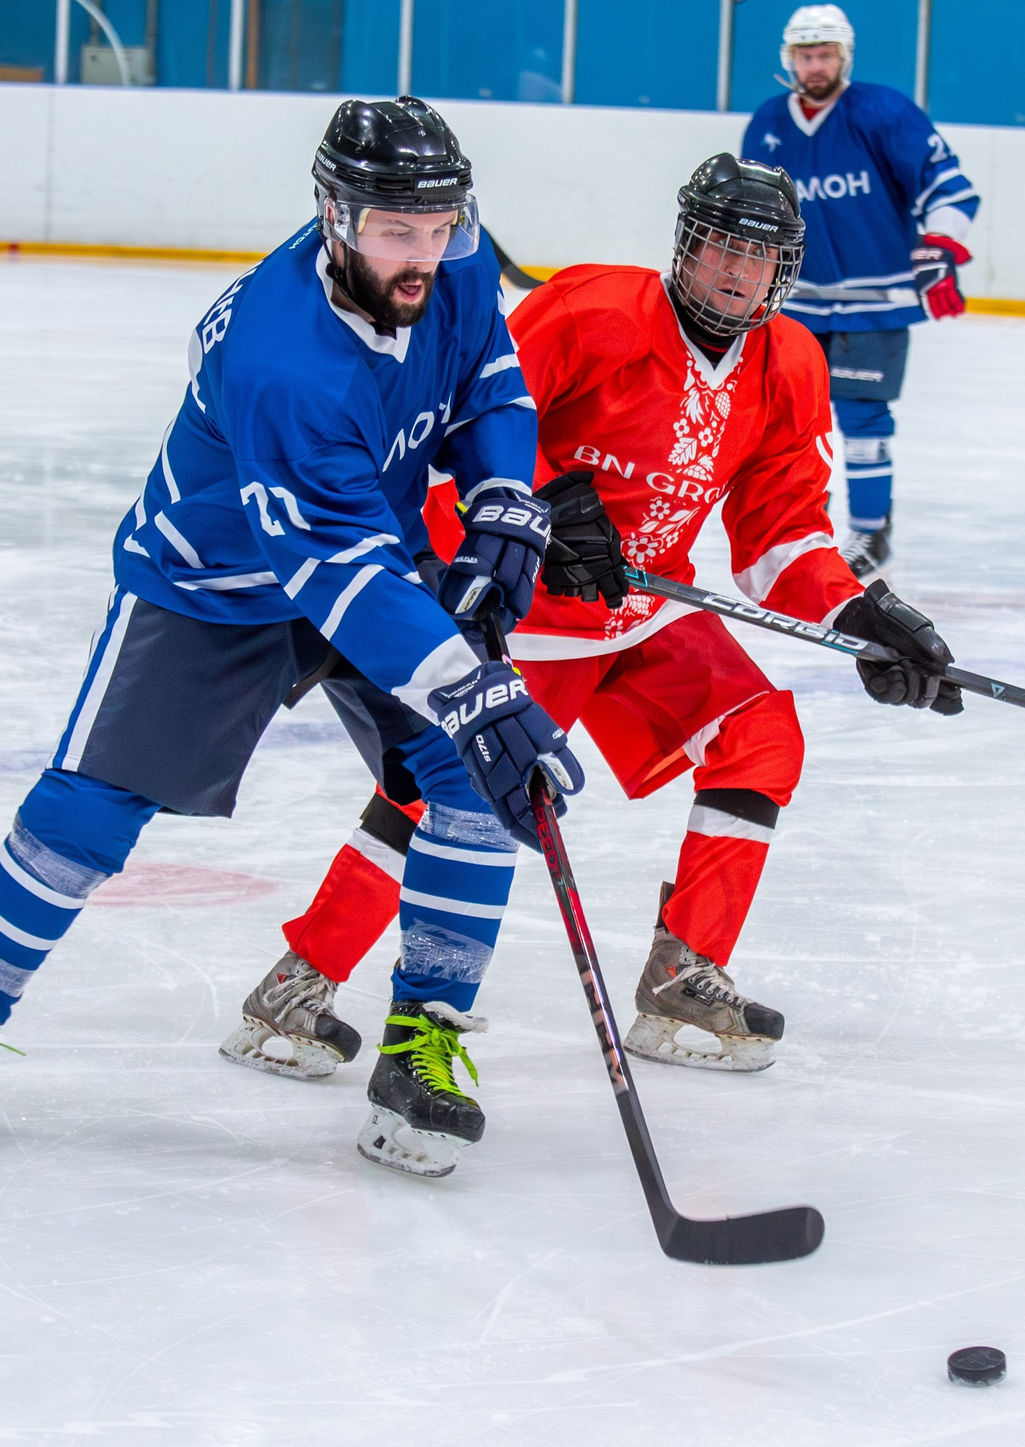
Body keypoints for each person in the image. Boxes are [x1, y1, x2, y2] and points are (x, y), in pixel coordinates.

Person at [0, 97, 584, 1182]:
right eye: (398, 231)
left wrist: (498, 493)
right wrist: (466, 683)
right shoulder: (281, 357)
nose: (426, 253)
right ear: (335, 216)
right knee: (88, 814)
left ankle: (419, 1044)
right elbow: (330, 571)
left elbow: (487, 378)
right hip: (211, 584)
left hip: (359, 548)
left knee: (475, 785)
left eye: (440, 227)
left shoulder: (459, 254)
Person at [221, 154, 963, 1106]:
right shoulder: (587, 314)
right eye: (722, 248)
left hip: (643, 615)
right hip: (524, 615)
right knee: (449, 795)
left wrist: (863, 615)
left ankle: (682, 976)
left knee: (762, 736)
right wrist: (531, 517)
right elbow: (452, 436)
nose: (738, 273)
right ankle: (295, 985)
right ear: (687, 246)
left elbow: (780, 534)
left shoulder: (791, 363)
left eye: (761, 256)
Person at [739, 3, 980, 576]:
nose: (815, 65)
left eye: (825, 54)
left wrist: (943, 243)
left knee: (863, 418)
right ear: (788, 58)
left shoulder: (883, 111)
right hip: (792, 302)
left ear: (844, 56)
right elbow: (748, 210)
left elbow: (949, 186)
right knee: (793, 421)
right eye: (805, 54)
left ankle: (872, 533)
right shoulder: (768, 123)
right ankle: (802, 526)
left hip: (876, 303)